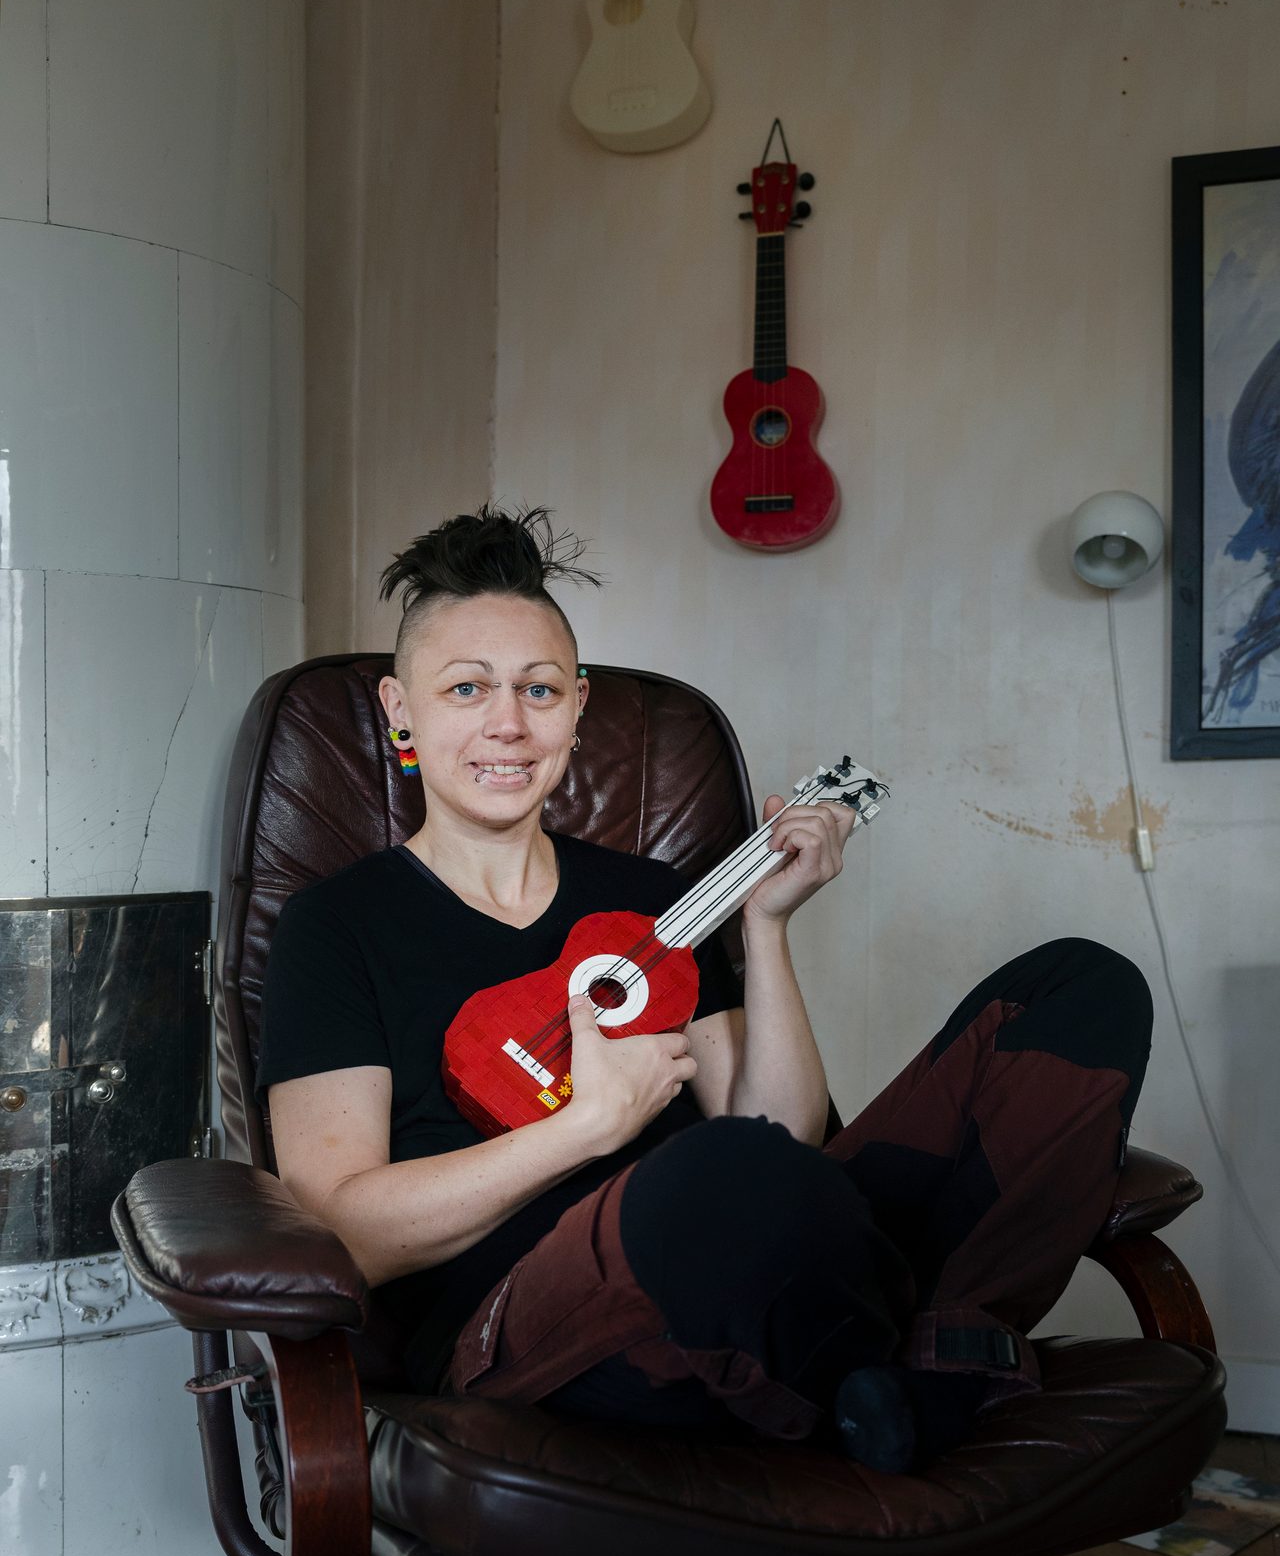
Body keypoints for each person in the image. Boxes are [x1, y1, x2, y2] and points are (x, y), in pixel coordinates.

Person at [255, 505, 1153, 1474]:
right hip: (540, 1323)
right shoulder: (334, 927)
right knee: (722, 1174)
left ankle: (931, 1362)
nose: (506, 724)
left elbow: (782, 1127)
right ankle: (911, 1380)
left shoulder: (651, 902)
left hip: (769, 1243)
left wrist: (763, 928)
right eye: (465, 688)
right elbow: (345, 1230)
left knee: (1077, 987)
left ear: (577, 703)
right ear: (401, 710)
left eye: (539, 689)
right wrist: (585, 1130)